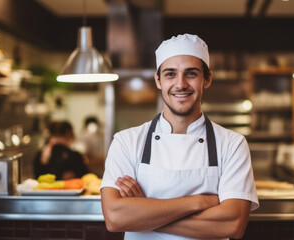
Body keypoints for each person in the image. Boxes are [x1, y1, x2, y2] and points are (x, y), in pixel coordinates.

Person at [100, 34, 259, 240]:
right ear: (158, 80)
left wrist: (144, 214)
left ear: (207, 79)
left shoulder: (232, 144)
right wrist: (198, 202)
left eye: (191, 74)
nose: (180, 84)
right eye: (170, 74)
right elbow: (115, 218)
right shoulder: (126, 142)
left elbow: (232, 224)